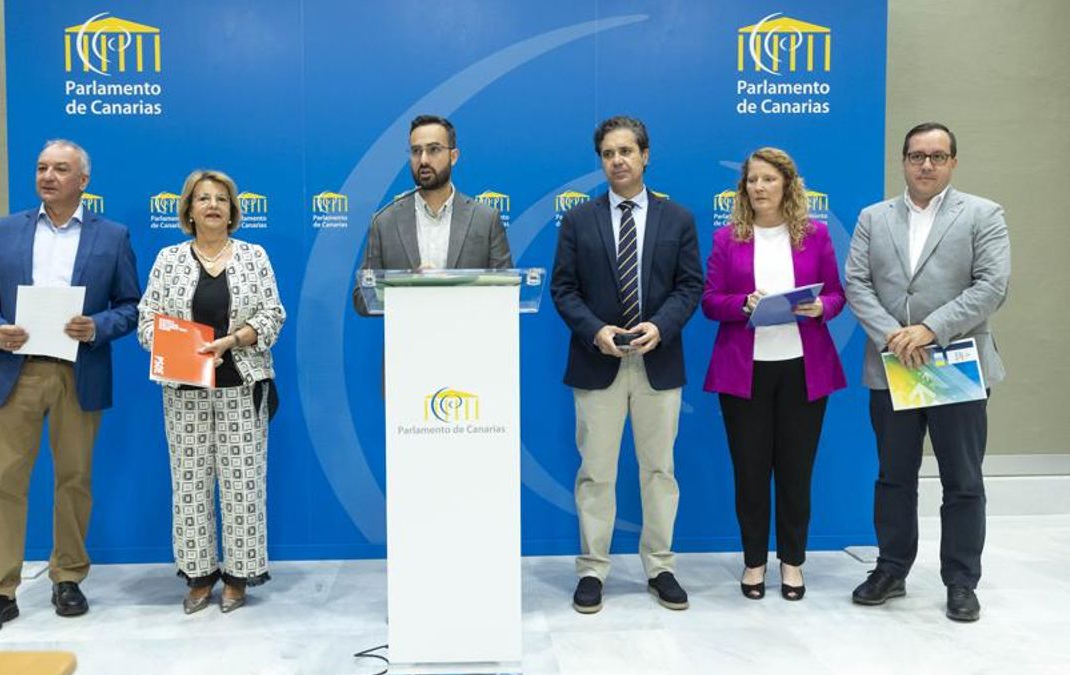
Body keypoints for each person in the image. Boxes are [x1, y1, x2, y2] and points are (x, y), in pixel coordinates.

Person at [0, 139, 140, 637]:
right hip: (16, 371)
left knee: (74, 479)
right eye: (42, 167)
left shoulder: (113, 236)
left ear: (83, 181)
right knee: (4, 482)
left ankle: (68, 578)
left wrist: (98, 326)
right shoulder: (4, 230)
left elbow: (131, 305)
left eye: (61, 169)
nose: (48, 176)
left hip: (78, 372)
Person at [845, 122, 1010, 622]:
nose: (926, 165)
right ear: (904, 161)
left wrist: (929, 330)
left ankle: (961, 581)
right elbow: (856, 283)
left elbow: (992, 285)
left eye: (938, 156)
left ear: (953, 162)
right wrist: (895, 335)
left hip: (955, 363)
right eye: (917, 156)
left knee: (963, 480)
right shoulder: (873, 217)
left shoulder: (983, 214)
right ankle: (891, 569)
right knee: (894, 477)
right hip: (892, 364)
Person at [550, 115, 703, 613]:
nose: (617, 160)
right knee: (596, 472)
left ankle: (660, 566)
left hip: (659, 361)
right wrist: (596, 331)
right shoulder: (578, 220)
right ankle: (592, 570)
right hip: (599, 362)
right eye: (608, 154)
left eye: (626, 151)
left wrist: (661, 326)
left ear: (645, 155)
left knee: (659, 470)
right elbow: (563, 289)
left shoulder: (676, 218)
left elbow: (690, 286)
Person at [138, 169, 286, 614]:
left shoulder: (254, 256)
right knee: (189, 482)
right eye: (203, 198)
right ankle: (200, 575)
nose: (213, 205)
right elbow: (147, 322)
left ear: (233, 209)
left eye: (221, 198)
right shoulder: (168, 259)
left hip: (243, 384)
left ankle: (238, 577)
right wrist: (187, 349)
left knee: (244, 482)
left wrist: (232, 340)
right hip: (185, 388)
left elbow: (273, 315)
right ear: (189, 209)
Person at [701, 147, 846, 601]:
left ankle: (792, 562)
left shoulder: (815, 235)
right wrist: (742, 304)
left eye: (768, 179)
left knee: (796, 472)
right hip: (744, 373)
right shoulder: (727, 238)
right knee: (750, 472)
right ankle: (754, 561)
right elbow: (710, 301)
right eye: (752, 180)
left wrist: (821, 307)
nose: (759, 187)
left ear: (787, 184)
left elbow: (837, 295)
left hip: (803, 369)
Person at [352, 114, 512, 315]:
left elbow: (507, 292)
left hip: (469, 333)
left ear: (453, 156)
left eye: (433, 149)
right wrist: (407, 285)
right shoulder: (384, 221)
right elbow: (362, 298)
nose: (423, 160)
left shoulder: (485, 219)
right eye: (416, 151)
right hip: (408, 334)